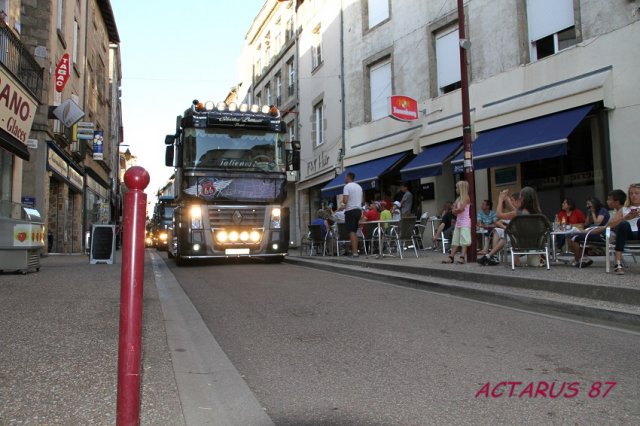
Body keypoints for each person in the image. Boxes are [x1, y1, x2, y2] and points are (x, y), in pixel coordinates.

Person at [478, 186, 542, 266]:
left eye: (520, 196)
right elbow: (516, 212)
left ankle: (490, 255)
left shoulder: (520, 212)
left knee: (510, 234)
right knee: (515, 233)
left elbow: (499, 214)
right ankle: (512, 260)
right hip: (536, 243)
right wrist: (508, 201)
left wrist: (500, 199)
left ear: (523, 199)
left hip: (520, 243)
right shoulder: (539, 213)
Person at [567, 193, 620, 267]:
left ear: (593, 203)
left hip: (601, 233)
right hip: (593, 231)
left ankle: (578, 259)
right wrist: (589, 213)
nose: (587, 206)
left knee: (575, 237)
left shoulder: (602, 210)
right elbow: (586, 224)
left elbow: (597, 223)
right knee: (571, 237)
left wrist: (593, 213)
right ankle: (582, 258)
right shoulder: (592, 211)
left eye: (589, 204)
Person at [606, 183, 640, 275]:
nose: (634, 196)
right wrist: (626, 218)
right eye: (631, 193)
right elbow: (609, 225)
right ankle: (618, 264)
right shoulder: (624, 209)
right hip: (628, 234)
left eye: (637, 193)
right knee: (623, 224)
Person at [442, 180, 471, 264]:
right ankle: (451, 257)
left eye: (457, 187)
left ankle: (462, 257)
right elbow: (453, 209)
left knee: (464, 241)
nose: (456, 189)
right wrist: (455, 210)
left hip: (465, 222)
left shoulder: (466, 197)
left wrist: (455, 210)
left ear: (461, 188)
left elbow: (460, 209)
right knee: (455, 240)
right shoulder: (458, 199)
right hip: (458, 222)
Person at [342, 172, 363, 258]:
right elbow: (361, 200)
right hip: (358, 210)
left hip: (350, 210)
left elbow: (345, 200)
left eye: (345, 177)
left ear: (348, 177)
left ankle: (354, 253)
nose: (344, 178)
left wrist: (343, 202)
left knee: (352, 232)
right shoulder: (359, 187)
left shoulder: (346, 187)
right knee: (354, 231)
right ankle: (355, 251)